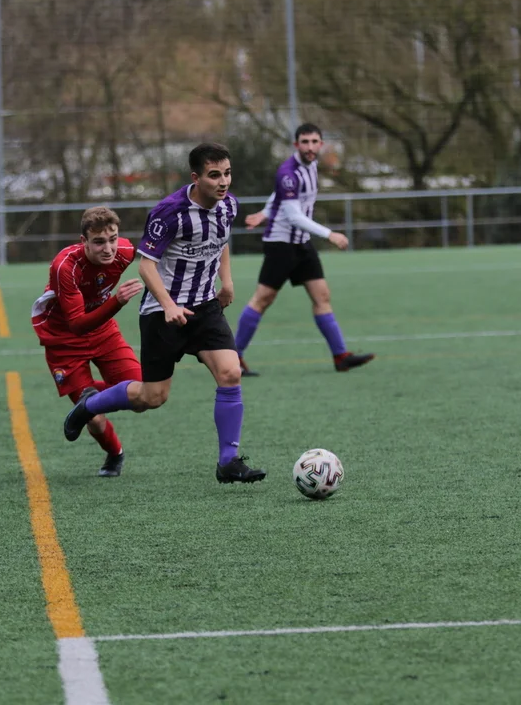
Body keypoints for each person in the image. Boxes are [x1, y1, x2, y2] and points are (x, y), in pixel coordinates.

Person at [62, 143, 266, 484]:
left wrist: (227, 282)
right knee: (152, 397)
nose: (223, 182)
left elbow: (221, 243)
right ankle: (89, 406)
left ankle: (228, 462)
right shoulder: (169, 212)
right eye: (214, 175)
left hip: (205, 307)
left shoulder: (229, 205)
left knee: (231, 372)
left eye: (227, 174)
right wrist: (169, 305)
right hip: (162, 311)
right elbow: (146, 266)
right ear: (196, 178)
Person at [235, 123, 375, 376]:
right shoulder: (288, 172)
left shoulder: (311, 165)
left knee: (322, 296)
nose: (310, 147)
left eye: (314, 142)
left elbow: (279, 196)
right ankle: (234, 358)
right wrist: (330, 234)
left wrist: (264, 212)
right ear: (296, 145)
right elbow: (294, 215)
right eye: (305, 142)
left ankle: (340, 356)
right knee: (262, 299)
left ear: (321, 144)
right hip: (281, 243)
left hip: (302, 243)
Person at [32, 207, 143, 477]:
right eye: (99, 242)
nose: (109, 248)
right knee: (94, 418)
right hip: (63, 338)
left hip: (103, 329)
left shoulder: (126, 251)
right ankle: (115, 454)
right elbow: (77, 324)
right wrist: (117, 301)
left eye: (113, 239)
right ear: (84, 241)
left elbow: (158, 258)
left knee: (143, 395)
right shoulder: (65, 266)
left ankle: (89, 398)